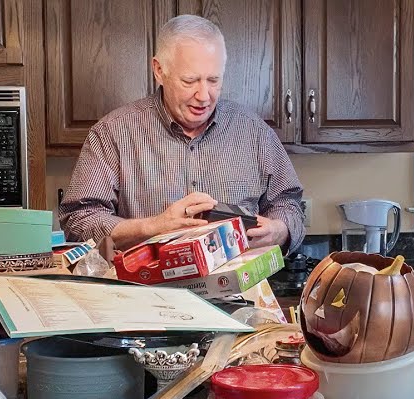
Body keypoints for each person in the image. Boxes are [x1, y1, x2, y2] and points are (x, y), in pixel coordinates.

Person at [59, 14, 305, 258]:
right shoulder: (113, 133)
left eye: (213, 80)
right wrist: (154, 227)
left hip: (239, 294)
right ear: (159, 70)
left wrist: (279, 230)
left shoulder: (255, 132)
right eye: (190, 80)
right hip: (145, 294)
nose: (204, 95)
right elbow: (78, 222)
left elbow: (289, 205)